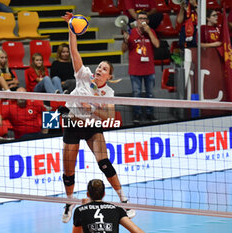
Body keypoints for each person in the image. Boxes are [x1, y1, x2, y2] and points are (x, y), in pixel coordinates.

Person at [61, 12, 135, 224]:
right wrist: (71, 28)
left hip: (92, 126)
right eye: (99, 67)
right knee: (68, 169)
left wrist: (91, 109)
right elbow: (74, 50)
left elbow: (109, 116)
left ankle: (123, 199)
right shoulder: (83, 75)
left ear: (109, 76)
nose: (98, 69)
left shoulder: (108, 94)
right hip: (73, 123)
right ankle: (69, 201)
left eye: (103, 69)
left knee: (104, 162)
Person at [121, 11, 159, 123]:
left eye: (144, 18)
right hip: (135, 69)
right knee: (136, 93)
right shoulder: (131, 32)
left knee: (150, 94)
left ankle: (149, 114)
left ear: (147, 21)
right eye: (140, 18)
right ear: (137, 21)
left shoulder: (151, 31)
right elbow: (123, 50)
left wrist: (149, 32)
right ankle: (136, 115)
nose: (142, 20)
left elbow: (157, 44)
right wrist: (125, 40)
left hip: (149, 69)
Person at [73, 179, 145, 233]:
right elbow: (137, 231)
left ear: (88, 194)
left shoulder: (79, 210)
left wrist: (85, 207)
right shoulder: (117, 210)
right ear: (104, 194)